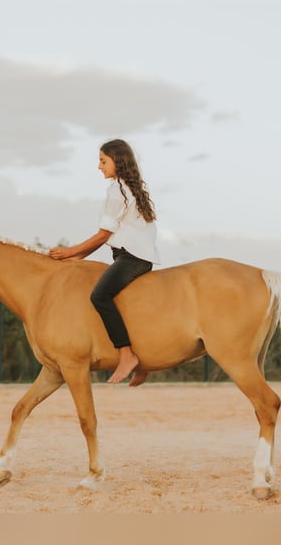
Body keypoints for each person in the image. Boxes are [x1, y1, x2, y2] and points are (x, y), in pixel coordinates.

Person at [49, 139, 160, 386]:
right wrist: (79, 257)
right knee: (125, 304)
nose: (99, 167)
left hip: (131, 258)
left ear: (117, 162)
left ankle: (126, 354)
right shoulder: (132, 189)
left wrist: (70, 252)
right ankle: (145, 363)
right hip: (137, 257)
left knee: (99, 296)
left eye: (103, 161)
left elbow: (103, 234)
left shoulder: (116, 192)